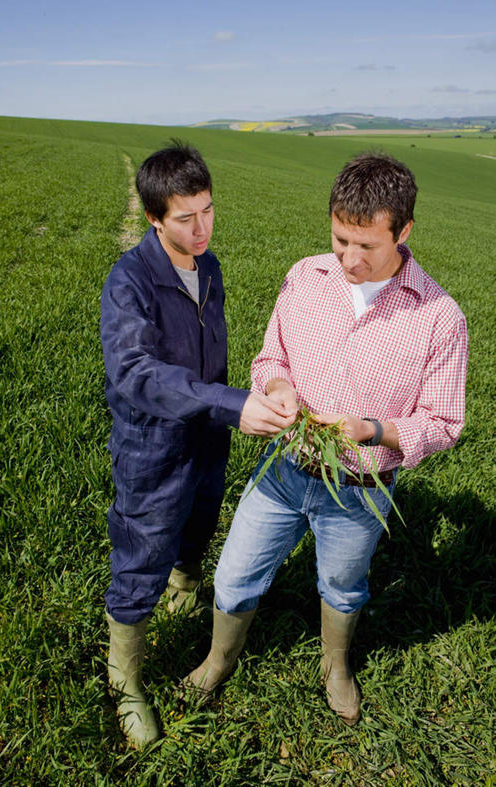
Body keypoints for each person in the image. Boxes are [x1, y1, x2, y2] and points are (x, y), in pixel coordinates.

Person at [183, 152, 468, 726]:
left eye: (368, 246)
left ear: (404, 231)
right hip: (283, 469)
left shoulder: (440, 317)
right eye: (341, 240)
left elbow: (444, 422)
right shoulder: (305, 277)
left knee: (341, 587)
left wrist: (375, 430)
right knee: (234, 574)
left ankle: (335, 666)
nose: (350, 259)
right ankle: (218, 658)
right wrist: (279, 385)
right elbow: (271, 357)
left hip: (360, 489)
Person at [100, 141, 294, 747]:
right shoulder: (129, 281)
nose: (202, 227)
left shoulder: (207, 266)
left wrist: (233, 406)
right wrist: (233, 404)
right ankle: (124, 680)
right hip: (154, 445)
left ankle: (184, 588)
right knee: (142, 551)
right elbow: (135, 372)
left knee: (201, 520)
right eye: (186, 218)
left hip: (210, 434)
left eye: (208, 210)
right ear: (155, 218)